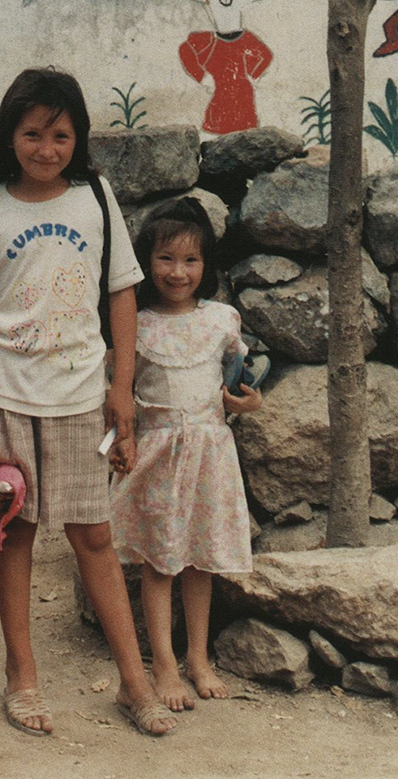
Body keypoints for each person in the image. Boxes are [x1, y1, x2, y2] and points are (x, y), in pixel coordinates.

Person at [0, 66, 175, 739]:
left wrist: (122, 389)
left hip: (80, 394)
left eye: (60, 135)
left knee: (94, 535)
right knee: (13, 534)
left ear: (77, 138)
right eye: (32, 134)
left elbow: (121, 294)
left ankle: (134, 680)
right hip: (3, 394)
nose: (46, 149)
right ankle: (21, 675)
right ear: (9, 135)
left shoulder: (95, 198)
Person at [110, 197, 263, 711]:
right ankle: (163, 663)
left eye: (191, 260)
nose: (178, 272)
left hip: (209, 454)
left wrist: (250, 401)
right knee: (160, 561)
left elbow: (239, 382)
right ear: (146, 262)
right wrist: (120, 441)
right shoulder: (135, 324)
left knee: (200, 559)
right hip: (158, 455)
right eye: (166, 259)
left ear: (206, 264)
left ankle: (198, 658)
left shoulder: (222, 319)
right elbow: (119, 393)